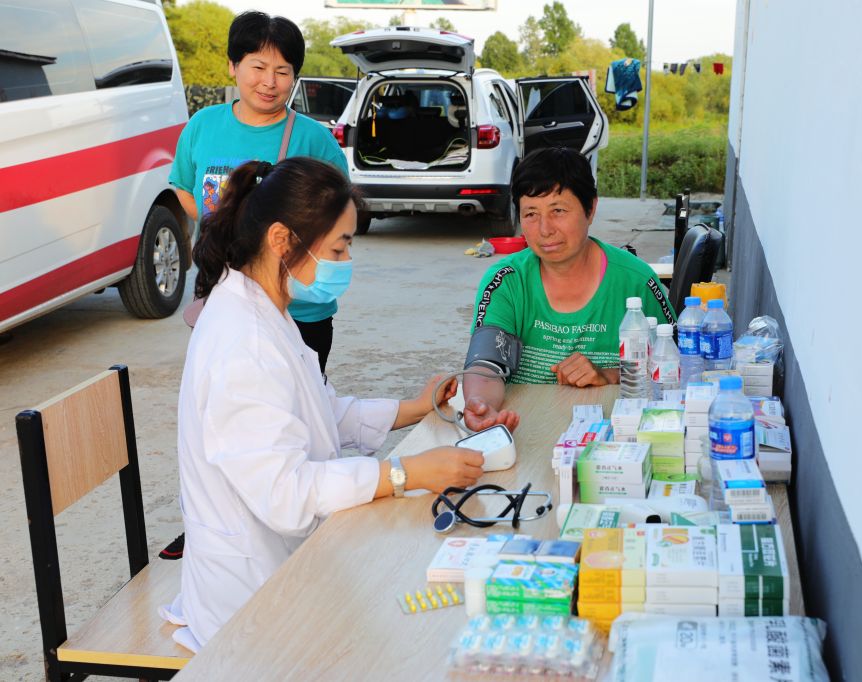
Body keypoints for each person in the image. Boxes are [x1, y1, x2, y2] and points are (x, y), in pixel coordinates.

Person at [159, 157, 484, 651]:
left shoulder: (265, 307)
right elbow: (286, 494)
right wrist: (406, 474)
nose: (346, 261)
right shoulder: (241, 343)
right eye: (339, 246)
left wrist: (413, 409)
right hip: (249, 604)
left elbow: (319, 413)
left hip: (282, 561)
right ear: (281, 240)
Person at [169, 11, 344, 373]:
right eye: (258, 67)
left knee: (301, 411)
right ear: (234, 65)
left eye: (282, 72)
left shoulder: (315, 140)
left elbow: (340, 217)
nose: (269, 82)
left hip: (299, 310)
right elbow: (185, 189)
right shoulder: (203, 126)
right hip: (224, 300)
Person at [461, 147, 676, 432]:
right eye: (531, 214)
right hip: (525, 431)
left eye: (558, 211)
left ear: (590, 209)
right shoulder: (506, 281)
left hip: (613, 436)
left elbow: (678, 363)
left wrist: (610, 375)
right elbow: (486, 366)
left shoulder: (636, 280)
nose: (544, 229)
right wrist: (480, 404)